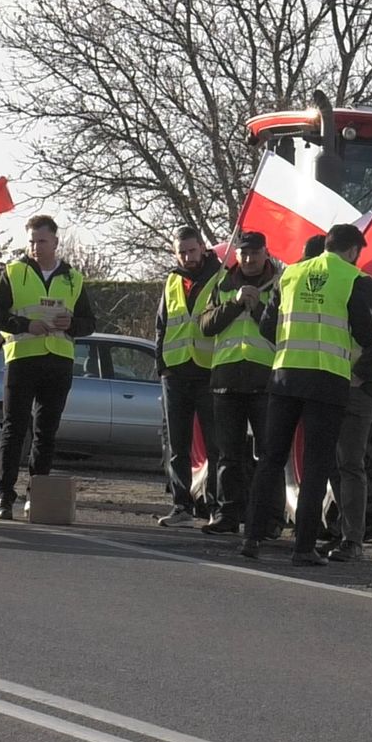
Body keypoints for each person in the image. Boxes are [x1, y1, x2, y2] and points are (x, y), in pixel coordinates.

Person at [239, 224, 372, 566]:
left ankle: (251, 538)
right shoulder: (353, 279)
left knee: (271, 458)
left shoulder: (289, 275)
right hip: (327, 381)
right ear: (351, 251)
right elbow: (365, 334)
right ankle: (303, 547)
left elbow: (267, 326)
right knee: (316, 465)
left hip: (286, 376)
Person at [0, 215, 97, 520]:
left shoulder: (73, 278)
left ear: (55, 242)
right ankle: (4, 496)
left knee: (46, 431)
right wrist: (25, 324)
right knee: (13, 429)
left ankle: (35, 496)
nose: (36, 247)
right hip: (22, 358)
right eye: (31, 241)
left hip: (58, 361)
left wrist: (72, 324)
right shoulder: (13, 272)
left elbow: (89, 323)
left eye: (42, 241)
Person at [198, 230, 280, 535]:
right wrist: (235, 303)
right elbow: (206, 326)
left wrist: (258, 306)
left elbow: (279, 331)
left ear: (265, 253)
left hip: (265, 380)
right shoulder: (222, 283)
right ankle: (227, 515)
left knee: (270, 456)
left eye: (254, 254)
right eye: (243, 254)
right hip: (226, 380)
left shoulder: (280, 285)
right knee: (227, 455)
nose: (248, 259)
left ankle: (270, 520)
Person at [321, 267, 372, 561]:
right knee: (333, 465)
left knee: (350, 463)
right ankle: (341, 532)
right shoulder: (323, 289)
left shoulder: (365, 287)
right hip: (326, 386)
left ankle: (352, 540)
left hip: (356, 388)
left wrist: (360, 375)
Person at [153, 226, 222, 527]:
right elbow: (161, 325)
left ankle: (216, 507)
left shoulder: (221, 277)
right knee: (178, 446)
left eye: (191, 250)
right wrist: (162, 366)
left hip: (208, 371)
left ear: (203, 248)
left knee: (215, 445)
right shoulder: (171, 280)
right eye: (181, 251)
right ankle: (181, 505)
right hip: (176, 371)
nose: (187, 256)